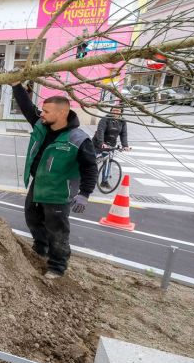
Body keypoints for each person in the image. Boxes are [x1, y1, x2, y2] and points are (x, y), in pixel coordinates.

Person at [10, 82, 98, 279]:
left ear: (62, 113)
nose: (42, 114)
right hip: (39, 185)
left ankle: (57, 266)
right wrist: (16, 86)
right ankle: (40, 248)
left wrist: (84, 194)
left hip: (59, 192)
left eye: (47, 111)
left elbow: (90, 167)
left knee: (57, 230)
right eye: (42, 110)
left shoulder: (78, 139)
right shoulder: (41, 125)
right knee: (32, 219)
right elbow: (26, 107)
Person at [93, 107, 131, 188]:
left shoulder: (122, 121)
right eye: (114, 110)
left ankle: (104, 181)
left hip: (111, 145)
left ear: (121, 112)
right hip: (98, 143)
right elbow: (100, 131)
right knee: (92, 162)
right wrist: (101, 143)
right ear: (110, 111)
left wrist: (125, 146)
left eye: (118, 110)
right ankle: (87, 177)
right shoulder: (105, 119)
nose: (115, 112)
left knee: (108, 163)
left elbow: (124, 134)